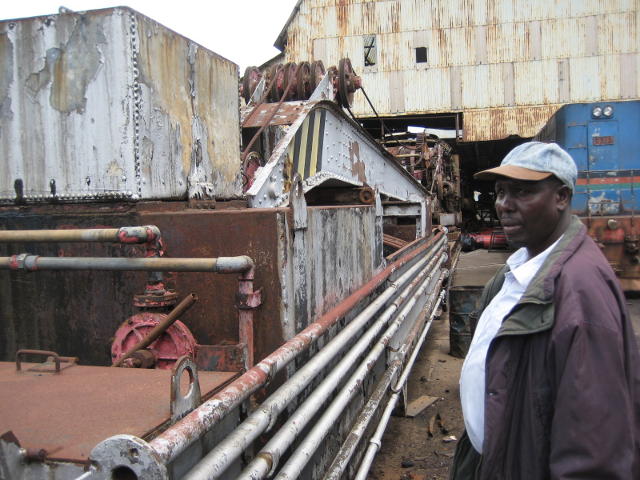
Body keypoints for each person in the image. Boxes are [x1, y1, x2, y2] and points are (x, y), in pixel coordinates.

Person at [450, 141, 640, 479]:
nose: (504, 206)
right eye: (500, 192)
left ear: (562, 196)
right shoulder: (518, 271)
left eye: (522, 192)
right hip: (497, 457)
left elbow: (594, 449)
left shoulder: (581, 295)